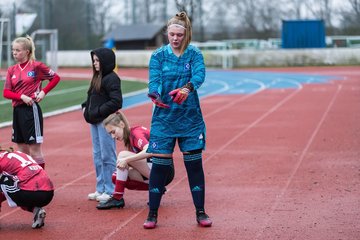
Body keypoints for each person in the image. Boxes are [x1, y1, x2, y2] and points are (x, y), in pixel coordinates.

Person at [144, 11, 212, 229]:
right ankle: (152, 213)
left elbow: (199, 76)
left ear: (186, 34)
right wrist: (154, 95)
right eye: (172, 34)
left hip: (190, 119)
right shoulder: (158, 56)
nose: (175, 38)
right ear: (167, 33)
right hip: (163, 119)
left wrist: (186, 89)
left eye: (179, 35)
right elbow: (153, 81)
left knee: (194, 166)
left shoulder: (194, 54)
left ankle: (200, 212)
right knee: (159, 168)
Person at [3, 35, 60, 169]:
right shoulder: (12, 70)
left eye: (17, 50)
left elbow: (55, 78)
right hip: (17, 111)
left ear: (27, 52)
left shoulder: (36, 66)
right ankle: (27, 181)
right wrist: (22, 96)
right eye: (13, 50)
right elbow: (6, 93)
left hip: (31, 111)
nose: (14, 53)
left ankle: (40, 182)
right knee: (22, 150)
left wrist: (43, 92)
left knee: (34, 150)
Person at [96, 110, 174, 210]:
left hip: (165, 170)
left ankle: (117, 198)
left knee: (122, 156)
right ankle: (157, 189)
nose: (113, 136)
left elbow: (150, 151)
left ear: (121, 124)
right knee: (117, 176)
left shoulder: (136, 133)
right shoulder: (129, 138)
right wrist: (127, 162)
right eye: (110, 134)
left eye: (113, 132)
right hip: (155, 169)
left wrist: (127, 159)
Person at [82, 47, 122, 203]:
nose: (95, 63)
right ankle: (101, 188)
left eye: (97, 60)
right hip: (95, 121)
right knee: (98, 156)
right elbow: (92, 97)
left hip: (106, 122)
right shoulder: (97, 77)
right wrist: (85, 107)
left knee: (108, 155)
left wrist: (98, 111)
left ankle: (111, 190)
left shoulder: (112, 78)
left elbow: (116, 101)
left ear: (105, 61)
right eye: (94, 60)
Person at [0, 146, 54, 229]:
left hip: (30, 192)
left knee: (4, 181)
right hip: (49, 192)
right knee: (14, 185)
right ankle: (35, 210)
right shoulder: (13, 154)